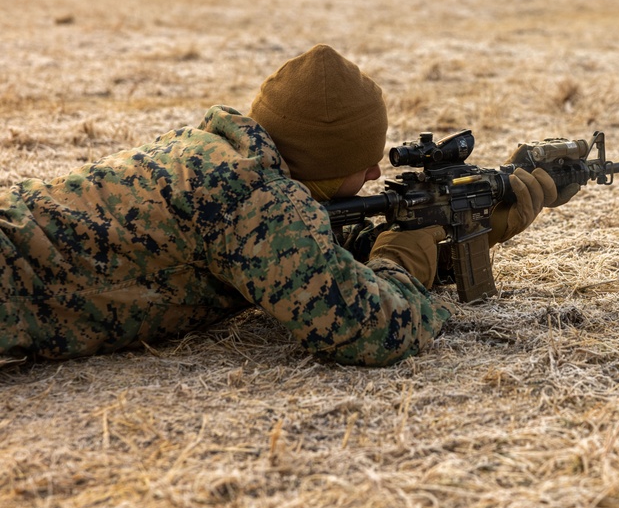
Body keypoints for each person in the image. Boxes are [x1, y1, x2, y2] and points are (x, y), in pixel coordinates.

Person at [0, 45, 569, 366]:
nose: (376, 173)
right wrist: (404, 261)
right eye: (364, 162)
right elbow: (370, 329)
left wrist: (466, 231)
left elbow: (315, 255)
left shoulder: (222, 153)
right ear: (320, 161)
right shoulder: (253, 201)